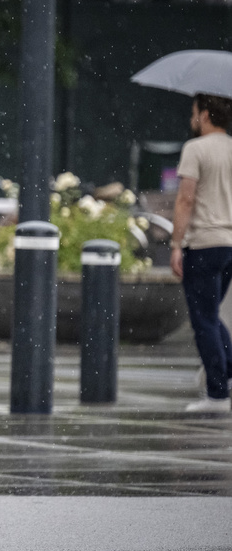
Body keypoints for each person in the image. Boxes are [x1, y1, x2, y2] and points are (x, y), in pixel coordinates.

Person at [169, 93, 232, 413]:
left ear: (206, 115)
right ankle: (228, 374)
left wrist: (176, 243)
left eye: (194, 113)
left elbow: (185, 199)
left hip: (204, 243)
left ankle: (218, 394)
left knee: (203, 319)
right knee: (211, 315)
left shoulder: (195, 149)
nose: (192, 119)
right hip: (229, 244)